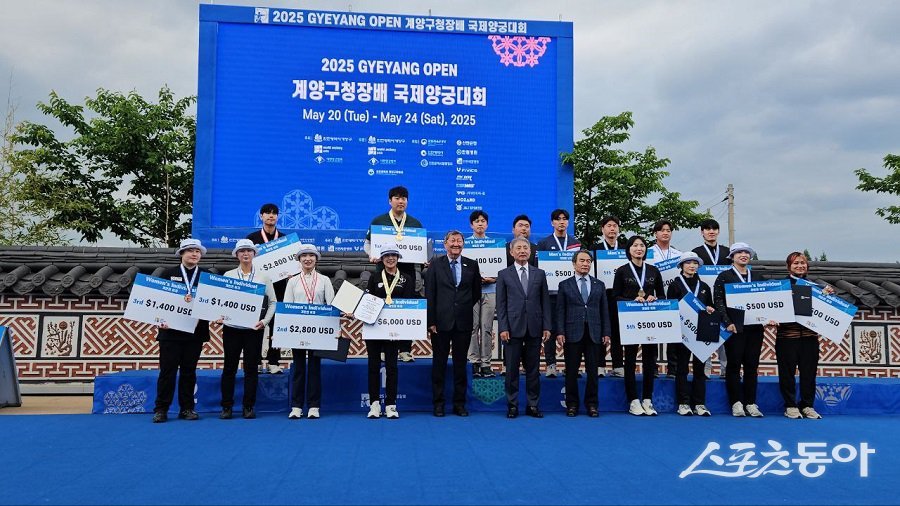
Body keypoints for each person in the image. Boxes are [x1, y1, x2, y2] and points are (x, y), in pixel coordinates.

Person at [713, 242, 776, 418]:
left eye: (746, 252)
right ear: (732, 256)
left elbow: (769, 300)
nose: (743, 255)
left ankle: (751, 402)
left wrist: (770, 317)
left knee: (751, 366)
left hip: (755, 328)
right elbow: (718, 302)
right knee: (733, 366)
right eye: (739, 252)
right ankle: (736, 403)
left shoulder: (757, 277)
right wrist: (727, 322)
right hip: (734, 328)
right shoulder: (724, 277)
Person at [152, 239, 211, 423]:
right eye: (190, 251)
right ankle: (161, 409)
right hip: (170, 333)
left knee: (189, 371)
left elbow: (213, 304)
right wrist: (159, 320)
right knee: (167, 372)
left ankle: (186, 408)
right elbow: (157, 301)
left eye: (197, 251)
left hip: (195, 332)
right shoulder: (168, 274)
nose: (194, 254)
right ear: (181, 254)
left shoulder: (207, 276)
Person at [364, 186, 424, 363]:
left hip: (407, 272)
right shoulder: (379, 220)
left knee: (406, 309)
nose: (401, 201)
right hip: (382, 271)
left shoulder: (415, 223)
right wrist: (371, 255)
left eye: (404, 198)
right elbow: (367, 244)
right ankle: (382, 348)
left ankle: (405, 349)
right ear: (390, 201)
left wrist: (423, 258)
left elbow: (420, 249)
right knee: (381, 308)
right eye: (397, 198)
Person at [425, 231, 482, 417]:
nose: (456, 244)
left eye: (459, 241)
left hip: (463, 322)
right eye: (452, 241)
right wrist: (431, 320)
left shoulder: (472, 265)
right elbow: (430, 294)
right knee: (439, 363)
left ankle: (459, 403)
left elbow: (476, 293)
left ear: (463, 244)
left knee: (460, 364)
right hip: (440, 323)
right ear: (445, 244)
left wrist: (461, 308)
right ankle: (438, 403)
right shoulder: (435, 265)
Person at [219, 239, 277, 420]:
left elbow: (273, 302)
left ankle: (248, 406)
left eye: (249, 251)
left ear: (254, 254)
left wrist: (265, 321)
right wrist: (219, 314)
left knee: (251, 368)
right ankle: (227, 407)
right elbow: (219, 300)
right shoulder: (228, 275)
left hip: (254, 329)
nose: (246, 254)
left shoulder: (263, 276)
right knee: (229, 367)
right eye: (242, 251)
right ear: (236, 254)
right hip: (232, 328)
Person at [496, 238, 551, 418]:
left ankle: (532, 405)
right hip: (512, 328)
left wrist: (546, 326)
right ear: (511, 252)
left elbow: (545, 302)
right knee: (511, 370)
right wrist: (503, 327)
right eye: (518, 248)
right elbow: (501, 304)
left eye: (525, 248)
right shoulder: (503, 274)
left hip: (535, 328)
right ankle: (512, 405)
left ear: (530, 251)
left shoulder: (540, 274)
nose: (522, 251)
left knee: (533, 370)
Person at [612, 235, 665, 416]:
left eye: (642, 245)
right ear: (629, 250)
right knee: (631, 360)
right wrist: (631, 300)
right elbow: (615, 297)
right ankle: (633, 400)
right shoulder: (621, 271)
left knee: (650, 361)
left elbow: (663, 296)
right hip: (631, 320)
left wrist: (654, 297)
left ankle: (648, 399)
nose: (639, 248)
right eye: (635, 246)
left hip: (650, 321)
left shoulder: (653, 270)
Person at [364, 244, 418, 419]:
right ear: (381, 259)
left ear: (398, 258)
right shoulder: (374, 277)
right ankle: (374, 404)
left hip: (394, 330)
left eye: (394, 255)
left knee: (392, 367)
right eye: (387, 256)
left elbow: (409, 304)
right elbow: (367, 301)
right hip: (374, 329)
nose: (390, 258)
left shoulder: (406, 278)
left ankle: (391, 405)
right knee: (373, 366)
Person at [777, 252, 834, 419]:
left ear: (807, 266)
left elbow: (829, 308)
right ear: (789, 266)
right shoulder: (780, 286)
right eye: (795, 263)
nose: (799, 266)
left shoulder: (816, 287)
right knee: (787, 373)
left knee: (809, 373)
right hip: (787, 337)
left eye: (802, 263)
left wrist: (829, 295)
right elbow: (770, 307)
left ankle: (807, 405)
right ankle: (790, 405)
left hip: (810, 337)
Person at [555, 250, 611, 417]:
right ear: (574, 264)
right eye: (582, 260)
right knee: (571, 371)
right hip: (572, 332)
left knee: (593, 371)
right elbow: (560, 310)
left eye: (588, 261)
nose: (585, 264)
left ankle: (592, 404)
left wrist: (606, 332)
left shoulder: (599, 284)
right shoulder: (564, 284)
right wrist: (560, 331)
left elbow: (604, 311)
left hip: (594, 332)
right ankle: (572, 404)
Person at [283, 243, 336, 420]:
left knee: (315, 368)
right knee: (298, 367)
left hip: (319, 330)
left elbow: (332, 306)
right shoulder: (292, 281)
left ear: (316, 259)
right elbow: (286, 307)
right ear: (299, 259)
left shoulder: (325, 280)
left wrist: (337, 329)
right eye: (304, 256)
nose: (308, 259)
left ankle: (314, 406)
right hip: (297, 330)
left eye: (311, 255)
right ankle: (296, 406)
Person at [664, 252, 714, 417]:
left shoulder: (705, 287)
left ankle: (699, 403)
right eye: (688, 263)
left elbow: (710, 306)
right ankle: (683, 403)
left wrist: (710, 309)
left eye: (695, 263)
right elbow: (670, 308)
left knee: (700, 370)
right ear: (681, 266)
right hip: (683, 332)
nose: (692, 266)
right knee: (682, 369)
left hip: (701, 332)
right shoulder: (675, 285)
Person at [536, 209, 582, 378]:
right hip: (550, 295)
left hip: (571, 294)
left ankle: (572, 366)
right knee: (550, 329)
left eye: (565, 219)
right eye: (558, 219)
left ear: (568, 223)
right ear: (552, 223)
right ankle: (551, 365)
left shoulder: (576, 243)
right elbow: (538, 269)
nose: (561, 222)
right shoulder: (543, 243)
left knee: (571, 329)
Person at [246, 203, 288, 374]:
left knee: (276, 326)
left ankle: (274, 361)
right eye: (267, 213)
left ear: (278, 217)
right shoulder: (252, 239)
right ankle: (255, 361)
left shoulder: (285, 239)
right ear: (261, 216)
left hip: (279, 287)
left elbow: (292, 264)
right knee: (255, 324)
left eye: (274, 213)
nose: (271, 216)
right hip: (258, 288)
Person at [691, 218, 731, 378]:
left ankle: (726, 369)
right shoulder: (696, 253)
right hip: (704, 300)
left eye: (714, 229)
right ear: (702, 232)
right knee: (705, 335)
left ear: (718, 232)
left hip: (725, 301)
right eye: (707, 229)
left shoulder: (727, 253)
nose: (711, 231)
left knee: (725, 336)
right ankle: (705, 369)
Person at [591, 215, 625, 377]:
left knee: (618, 331)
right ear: (602, 229)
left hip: (620, 296)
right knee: (600, 330)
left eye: (615, 226)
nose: (612, 229)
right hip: (600, 295)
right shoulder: (595, 248)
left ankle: (618, 365)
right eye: (609, 226)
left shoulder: (625, 249)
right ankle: (600, 365)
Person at [649, 219, 682, 378]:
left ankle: (673, 369)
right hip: (654, 299)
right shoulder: (648, 253)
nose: (665, 233)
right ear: (655, 233)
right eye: (662, 230)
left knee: (673, 334)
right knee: (653, 333)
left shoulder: (679, 255)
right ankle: (653, 367)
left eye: (668, 230)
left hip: (674, 299)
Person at [467, 210, 497, 378]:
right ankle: (474, 362)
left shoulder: (494, 244)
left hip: (490, 290)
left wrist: (494, 277)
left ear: (487, 224)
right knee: (472, 327)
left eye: (483, 221)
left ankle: (486, 363)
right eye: (477, 221)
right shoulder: (466, 245)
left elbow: (499, 268)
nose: (480, 224)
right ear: (471, 225)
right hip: (471, 291)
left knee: (486, 328)